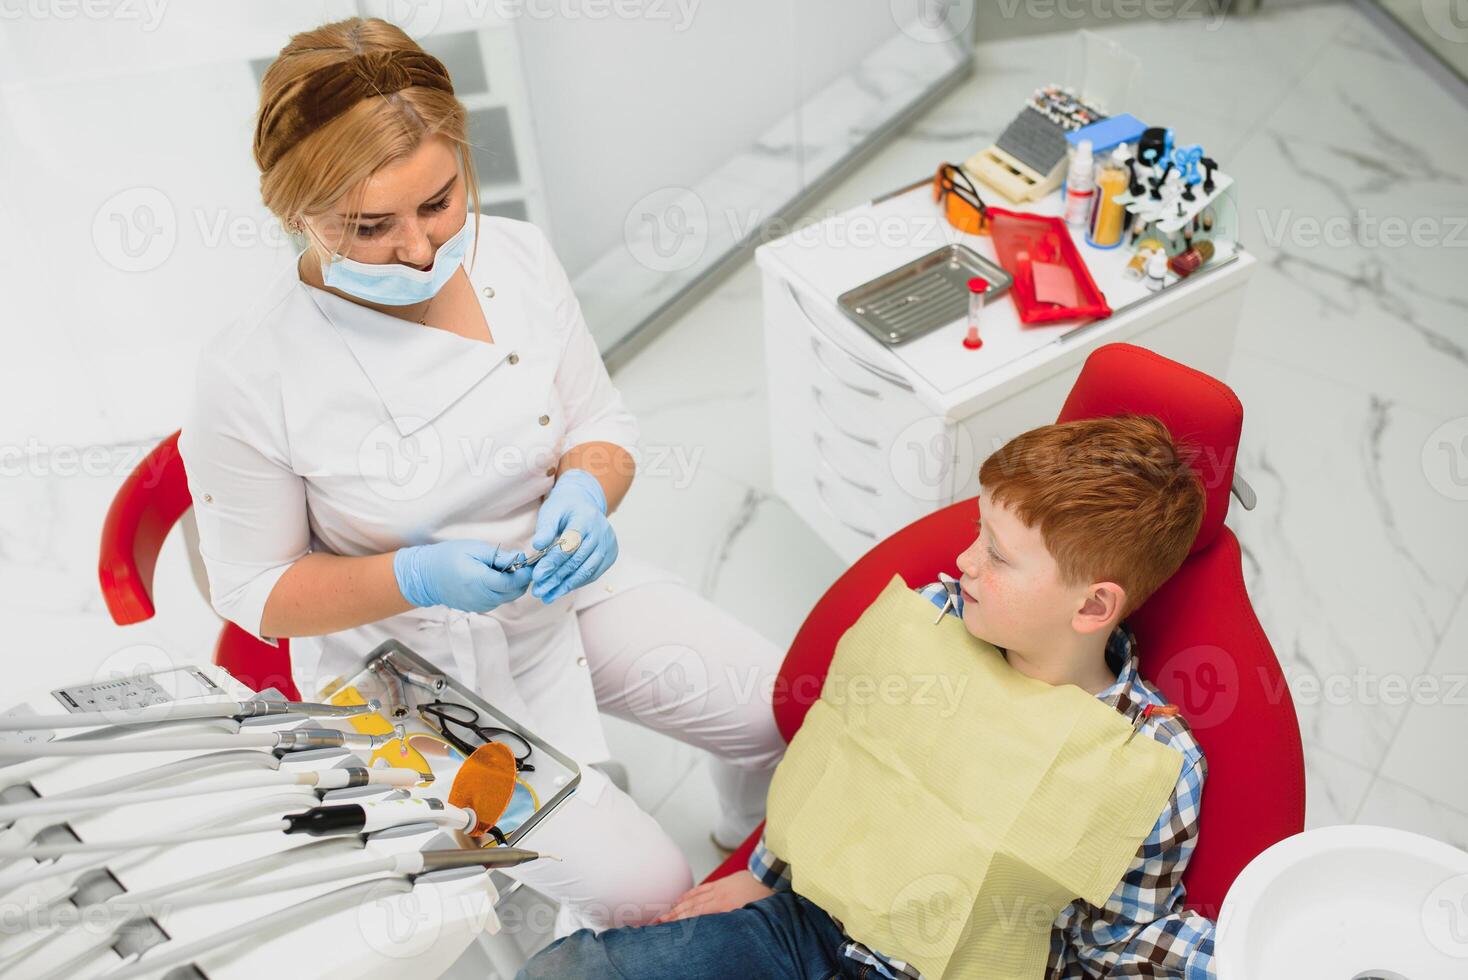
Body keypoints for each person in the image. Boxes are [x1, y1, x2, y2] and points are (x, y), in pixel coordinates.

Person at [178, 16, 783, 935]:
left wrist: (587, 492)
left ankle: (752, 840)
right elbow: (256, 591)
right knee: (648, 892)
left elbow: (600, 426)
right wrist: (415, 576)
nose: (420, 250)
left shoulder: (518, 258)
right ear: (294, 213)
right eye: (368, 227)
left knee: (781, 712)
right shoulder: (249, 374)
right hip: (408, 675)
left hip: (556, 594)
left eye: (440, 201)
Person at [519, 414, 1219, 979]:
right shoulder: (932, 618)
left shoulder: (1149, 761)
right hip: (806, 925)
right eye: (980, 532)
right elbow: (837, 761)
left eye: (998, 555)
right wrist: (770, 873)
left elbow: (1127, 937)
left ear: (1094, 607)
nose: (964, 561)